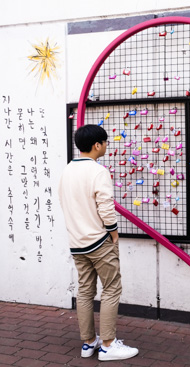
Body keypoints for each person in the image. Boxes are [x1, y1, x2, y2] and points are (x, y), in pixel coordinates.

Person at [58, 124, 139, 361]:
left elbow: (65, 204)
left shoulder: (67, 170)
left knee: (84, 291)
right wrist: (113, 233)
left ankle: (88, 343)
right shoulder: (98, 172)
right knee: (111, 289)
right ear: (97, 145)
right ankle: (108, 345)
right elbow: (106, 206)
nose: (106, 146)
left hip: (77, 243)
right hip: (98, 241)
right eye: (105, 143)